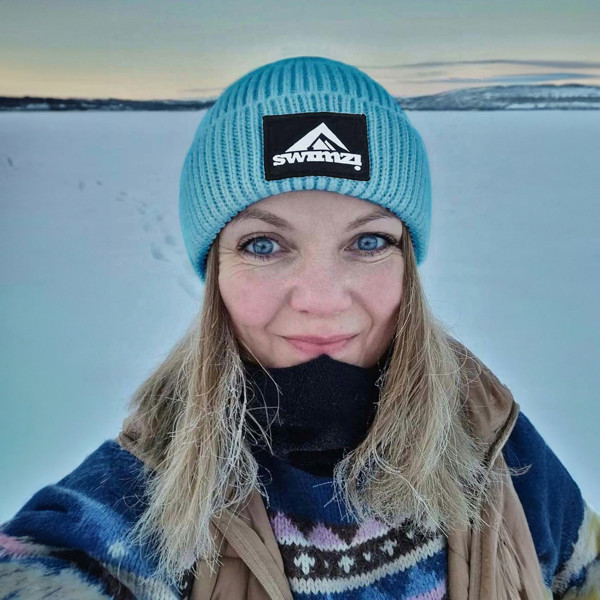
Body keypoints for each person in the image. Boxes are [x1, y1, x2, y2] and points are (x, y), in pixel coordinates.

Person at [0, 55, 598, 600]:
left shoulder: (495, 442)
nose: (320, 301)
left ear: (408, 266)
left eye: (368, 242)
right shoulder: (138, 501)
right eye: (263, 244)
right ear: (215, 272)